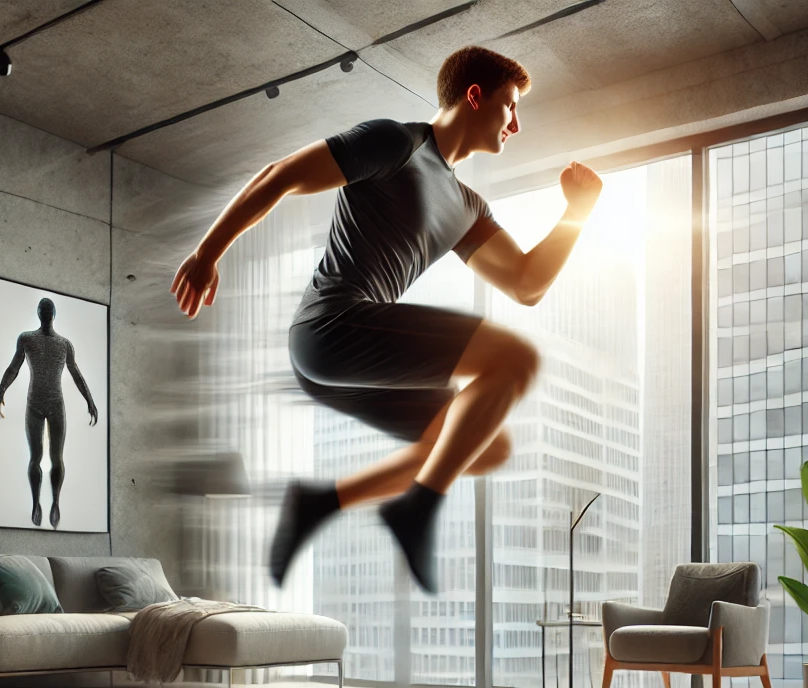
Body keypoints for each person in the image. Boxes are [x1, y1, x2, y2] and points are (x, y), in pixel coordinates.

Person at [172, 45, 602, 592]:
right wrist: (207, 254)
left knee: (482, 442)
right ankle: (416, 509)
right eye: (510, 106)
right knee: (514, 360)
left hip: (346, 356)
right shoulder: (396, 143)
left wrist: (577, 214)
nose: (516, 124)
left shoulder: (468, 206)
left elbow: (526, 284)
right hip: (328, 329)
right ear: (475, 97)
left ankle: (320, 504)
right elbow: (280, 175)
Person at [0, 297, 99, 528]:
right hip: (34, 403)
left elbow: (76, 374)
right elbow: (14, 368)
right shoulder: (26, 339)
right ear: (40, 314)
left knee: (56, 458)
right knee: (35, 458)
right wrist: (1, 392)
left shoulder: (64, 344)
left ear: (53, 314)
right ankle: (35, 503)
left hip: (55, 403)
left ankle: (55, 502)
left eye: (49, 310)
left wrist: (90, 401)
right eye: (44, 309)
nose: (47, 313)